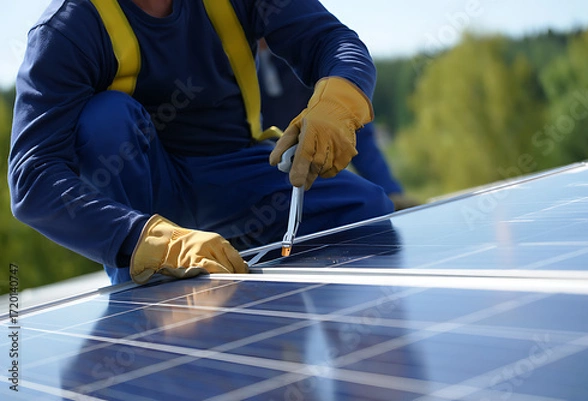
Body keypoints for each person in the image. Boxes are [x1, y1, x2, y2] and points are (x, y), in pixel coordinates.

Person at [8, 0, 393, 286]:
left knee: (366, 212)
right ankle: (149, 277)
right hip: (147, 199)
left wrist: (336, 105)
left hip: (237, 174)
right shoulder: (67, 30)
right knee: (105, 120)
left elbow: (332, 40)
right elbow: (33, 176)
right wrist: (145, 238)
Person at [258, 39, 420, 211]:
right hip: (262, 187)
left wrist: (390, 192)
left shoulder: (304, 50)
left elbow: (355, 134)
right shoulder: (230, 61)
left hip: (316, 182)